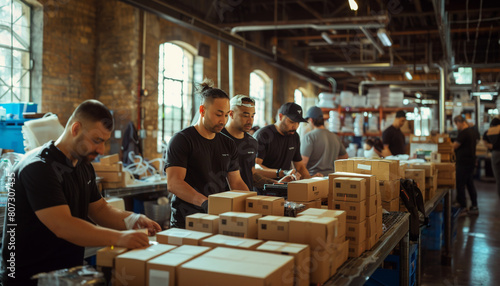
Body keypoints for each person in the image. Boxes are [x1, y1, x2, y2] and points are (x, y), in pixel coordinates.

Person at [0, 100, 161, 286]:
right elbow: (63, 225)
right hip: (28, 277)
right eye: (96, 140)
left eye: (104, 142)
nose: (101, 150)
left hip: (67, 274)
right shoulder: (39, 167)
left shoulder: (84, 166)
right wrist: (120, 237)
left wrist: (131, 220)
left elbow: (99, 209)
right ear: (75, 128)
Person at [165, 80, 249, 229]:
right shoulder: (182, 140)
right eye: (218, 114)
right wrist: (205, 203)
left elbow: (236, 182)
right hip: (186, 221)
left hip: (218, 219)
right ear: (202, 110)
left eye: (226, 115)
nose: (223, 121)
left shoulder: (228, 144)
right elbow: (174, 183)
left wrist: (251, 202)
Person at [221, 95, 295, 190]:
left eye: (252, 116)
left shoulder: (251, 142)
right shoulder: (218, 139)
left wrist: (276, 183)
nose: (250, 120)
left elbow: (251, 174)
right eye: (245, 115)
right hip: (222, 200)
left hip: (247, 199)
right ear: (231, 114)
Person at [254, 102, 311, 180]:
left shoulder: (295, 136)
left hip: (284, 186)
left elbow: (300, 167)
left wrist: (312, 181)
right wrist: (281, 173)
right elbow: (256, 166)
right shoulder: (263, 135)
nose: (296, 126)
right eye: (292, 122)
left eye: (298, 122)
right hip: (264, 187)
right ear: (280, 117)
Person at [300, 106, 348, 176]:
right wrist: (331, 159)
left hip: (314, 179)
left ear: (311, 120)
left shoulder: (309, 137)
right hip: (331, 178)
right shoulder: (335, 137)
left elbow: (302, 164)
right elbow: (345, 157)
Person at [453, 115, 479, 216]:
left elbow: (455, 145)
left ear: (460, 122)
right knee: (469, 184)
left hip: (463, 163)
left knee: (460, 184)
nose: (456, 126)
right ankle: (474, 206)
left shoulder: (464, 133)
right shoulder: (472, 131)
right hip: (470, 162)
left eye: (456, 124)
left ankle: (463, 207)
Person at [485, 117, 500, 197]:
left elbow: (484, 138)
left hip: (495, 153)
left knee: (498, 177)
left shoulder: (490, 130)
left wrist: (490, 146)